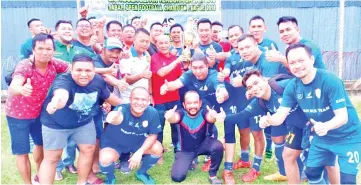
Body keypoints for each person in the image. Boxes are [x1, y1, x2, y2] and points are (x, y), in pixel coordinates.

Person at [262, 43, 361, 184]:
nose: (297, 65)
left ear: (312, 59)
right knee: (311, 172)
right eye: (292, 62)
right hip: (322, 137)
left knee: (348, 181)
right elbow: (280, 116)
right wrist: (269, 120)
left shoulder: (330, 80)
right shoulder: (293, 86)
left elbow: (342, 117)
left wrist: (326, 126)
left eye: (301, 60)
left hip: (348, 136)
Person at [38, 54, 123, 184]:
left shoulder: (98, 81)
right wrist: (56, 103)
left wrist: (130, 106)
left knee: (88, 149)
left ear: (94, 70)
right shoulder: (63, 80)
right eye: (78, 70)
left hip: (84, 122)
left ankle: (82, 182)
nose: (83, 74)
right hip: (55, 124)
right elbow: (61, 95)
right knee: (52, 158)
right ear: (71, 70)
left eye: (88, 70)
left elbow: (110, 97)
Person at [6, 33, 70, 184]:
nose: (45, 52)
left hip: (40, 114)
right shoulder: (25, 65)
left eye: (48, 48)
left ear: (53, 50)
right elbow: (14, 85)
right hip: (18, 115)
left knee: (42, 146)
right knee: (22, 152)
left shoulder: (54, 64)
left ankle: (40, 177)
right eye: (40, 48)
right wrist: (21, 90)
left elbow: (76, 69)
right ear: (33, 50)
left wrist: (104, 72)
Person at [217, 25, 266, 184]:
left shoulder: (257, 57)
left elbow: (263, 79)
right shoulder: (232, 56)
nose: (233, 38)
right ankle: (245, 159)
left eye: (236, 35)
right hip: (238, 100)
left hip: (255, 100)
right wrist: (227, 76)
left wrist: (244, 83)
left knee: (257, 133)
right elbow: (229, 74)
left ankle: (256, 167)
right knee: (243, 130)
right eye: (231, 36)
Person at [99, 87, 163, 184]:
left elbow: (153, 134)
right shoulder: (122, 109)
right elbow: (117, 117)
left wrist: (140, 152)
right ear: (130, 99)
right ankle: (110, 179)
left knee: (158, 148)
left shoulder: (152, 112)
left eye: (143, 100)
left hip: (136, 141)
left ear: (148, 101)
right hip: (115, 143)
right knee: (105, 158)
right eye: (136, 99)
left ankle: (141, 173)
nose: (140, 102)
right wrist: (113, 117)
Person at [166, 91, 225, 184]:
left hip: (203, 145)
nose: (193, 106)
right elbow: (174, 118)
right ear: (184, 105)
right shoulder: (180, 113)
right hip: (185, 150)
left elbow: (210, 118)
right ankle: (190, 161)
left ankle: (212, 174)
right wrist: (169, 117)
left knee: (218, 146)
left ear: (200, 103)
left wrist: (215, 116)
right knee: (177, 177)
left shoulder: (204, 112)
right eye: (189, 103)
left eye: (195, 102)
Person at [150, 35, 184, 163]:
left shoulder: (175, 57)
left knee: (176, 126)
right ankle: (159, 154)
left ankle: (178, 150)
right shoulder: (155, 58)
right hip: (159, 100)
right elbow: (161, 73)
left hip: (175, 98)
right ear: (156, 45)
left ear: (169, 43)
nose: (163, 45)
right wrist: (176, 61)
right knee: (159, 128)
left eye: (166, 43)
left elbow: (180, 77)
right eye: (160, 43)